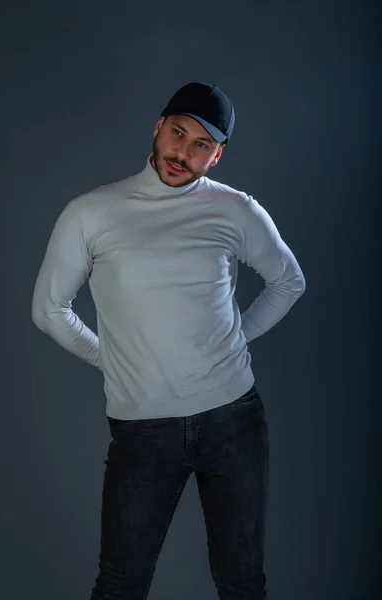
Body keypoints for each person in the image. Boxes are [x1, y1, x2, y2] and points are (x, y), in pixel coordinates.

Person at [32, 82, 306, 600]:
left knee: (242, 583)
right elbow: (48, 310)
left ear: (217, 155)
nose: (183, 151)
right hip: (143, 432)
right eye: (178, 133)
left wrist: (232, 341)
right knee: (119, 586)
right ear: (157, 128)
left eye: (201, 144)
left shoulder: (235, 210)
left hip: (234, 424)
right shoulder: (91, 213)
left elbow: (289, 281)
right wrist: (107, 359)